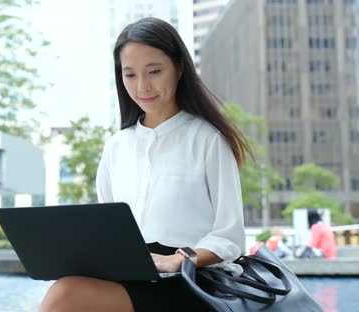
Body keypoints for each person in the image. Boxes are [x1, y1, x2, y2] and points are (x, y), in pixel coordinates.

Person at [40, 17, 250, 312]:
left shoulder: (208, 140)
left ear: (178, 68)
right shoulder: (116, 147)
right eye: (130, 75)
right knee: (66, 287)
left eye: (154, 71)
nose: (142, 86)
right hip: (132, 274)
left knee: (65, 297)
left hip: (192, 278)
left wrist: (179, 259)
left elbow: (230, 236)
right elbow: (107, 229)